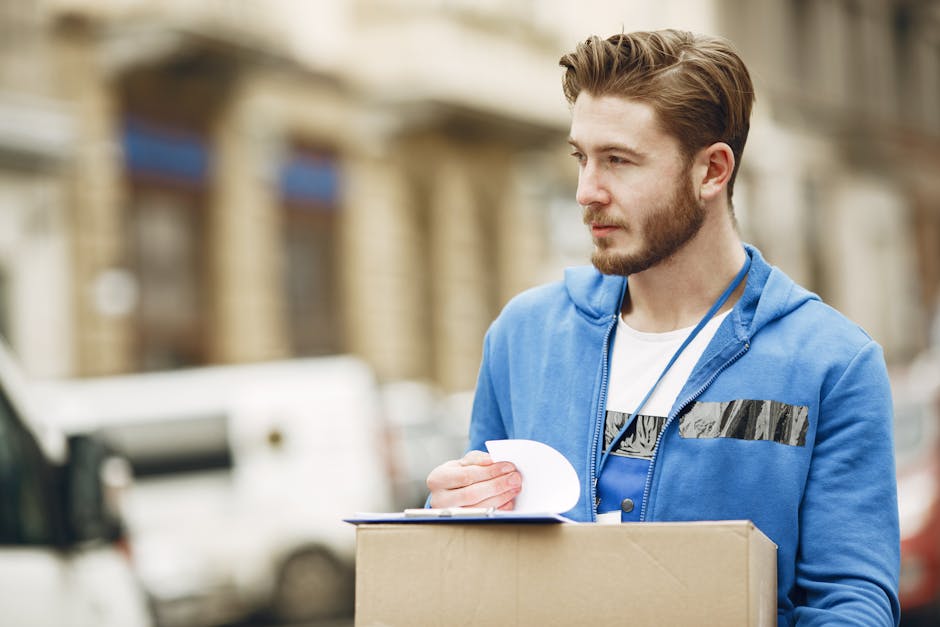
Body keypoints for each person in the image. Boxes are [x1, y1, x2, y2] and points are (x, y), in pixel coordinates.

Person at [426, 29, 900, 625]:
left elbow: (849, 603)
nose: (586, 192)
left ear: (711, 171)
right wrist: (449, 516)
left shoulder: (831, 364)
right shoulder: (524, 337)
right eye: (581, 157)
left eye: (618, 161)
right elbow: (473, 574)